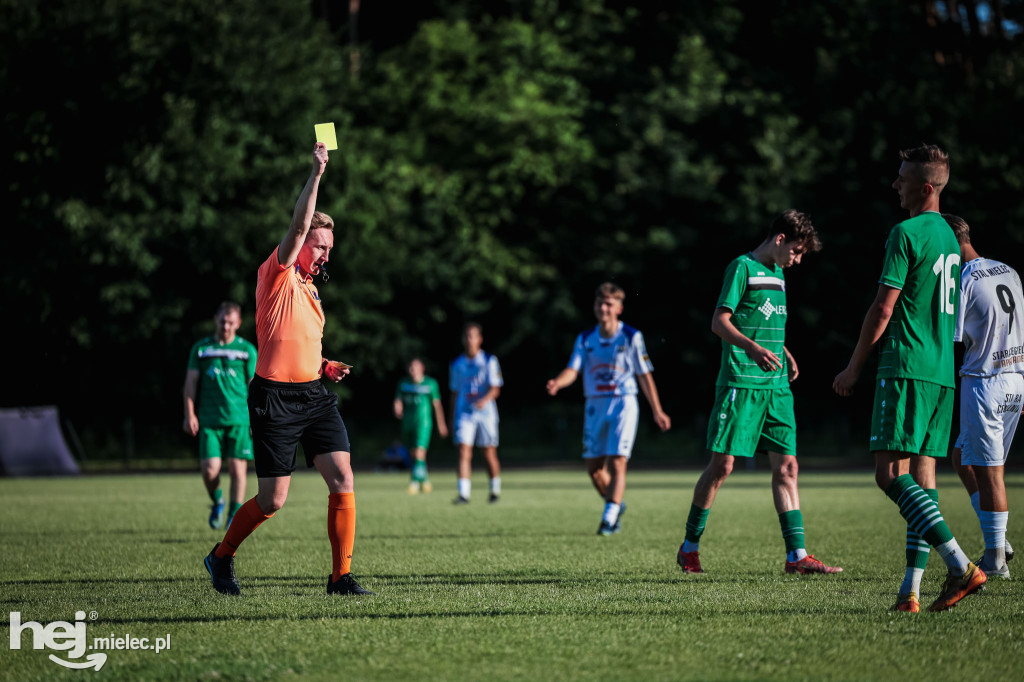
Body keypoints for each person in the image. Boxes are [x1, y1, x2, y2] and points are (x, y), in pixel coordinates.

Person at [203, 142, 373, 597]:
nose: (325, 256)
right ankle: (221, 557)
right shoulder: (275, 274)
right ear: (301, 246)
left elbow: (298, 343)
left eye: (329, 248)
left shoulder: (313, 292)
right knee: (273, 500)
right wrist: (317, 173)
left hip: (314, 396)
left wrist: (324, 364)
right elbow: (299, 225)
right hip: (274, 398)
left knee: (343, 477)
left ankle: (340, 577)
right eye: (320, 247)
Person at [834, 144, 984, 613]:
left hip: (906, 367)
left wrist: (854, 366)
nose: (894, 185)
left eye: (901, 179)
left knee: (887, 475)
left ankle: (960, 565)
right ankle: (910, 591)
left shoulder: (906, 232)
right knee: (924, 478)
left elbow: (884, 307)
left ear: (925, 188)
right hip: (942, 374)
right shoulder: (947, 236)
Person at [676, 210, 841, 577]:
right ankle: (689, 547)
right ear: (780, 239)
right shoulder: (742, 268)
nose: (797, 261)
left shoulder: (779, 273)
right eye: (796, 251)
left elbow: (764, 321)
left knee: (788, 467)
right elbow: (720, 322)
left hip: (776, 387)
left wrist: (783, 351)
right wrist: (752, 349)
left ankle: (797, 555)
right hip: (741, 381)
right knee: (723, 466)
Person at [545, 283, 671, 535]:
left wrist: (657, 409)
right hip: (594, 405)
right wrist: (558, 382)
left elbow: (644, 375)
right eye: (599, 303)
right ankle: (616, 503)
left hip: (623, 403)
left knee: (617, 462)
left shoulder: (631, 336)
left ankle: (608, 519)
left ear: (619, 308)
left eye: (609, 304)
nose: (603, 308)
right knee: (594, 470)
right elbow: (573, 369)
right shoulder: (585, 338)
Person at [945, 213, 1023, 579]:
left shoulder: (962, 279)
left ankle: (995, 561)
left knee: (992, 473)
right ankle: (1000, 542)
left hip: (985, 381)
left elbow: (953, 341)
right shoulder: (1008, 270)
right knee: (962, 455)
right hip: (1015, 378)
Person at [182, 301, 257, 530]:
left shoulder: (246, 350)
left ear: (238, 324)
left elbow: (254, 388)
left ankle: (234, 515)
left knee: (237, 470)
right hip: (209, 420)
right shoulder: (202, 349)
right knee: (209, 470)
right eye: (223, 321)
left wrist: (257, 418)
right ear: (216, 319)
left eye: (231, 322)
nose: (226, 326)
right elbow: (190, 384)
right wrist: (189, 414)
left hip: (240, 419)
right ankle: (218, 501)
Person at [449, 323, 503, 504]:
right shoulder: (457, 364)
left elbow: (496, 389)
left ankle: (494, 489)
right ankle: (464, 494)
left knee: (488, 453)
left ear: (480, 339)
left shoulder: (489, 360)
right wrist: (452, 418)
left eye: (473, 336)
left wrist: (484, 400)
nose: (470, 340)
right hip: (465, 414)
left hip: (486, 414)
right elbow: (455, 392)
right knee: (464, 451)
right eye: (467, 336)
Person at [394, 357, 449, 494]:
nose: (412, 369)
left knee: (419, 452)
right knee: (414, 453)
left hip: (423, 423)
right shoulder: (404, 383)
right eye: (410, 367)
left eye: (415, 367)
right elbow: (398, 399)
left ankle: (414, 482)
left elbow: (437, 405)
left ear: (422, 369)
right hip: (408, 423)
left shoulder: (430, 384)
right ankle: (424, 480)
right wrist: (397, 406)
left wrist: (441, 424)